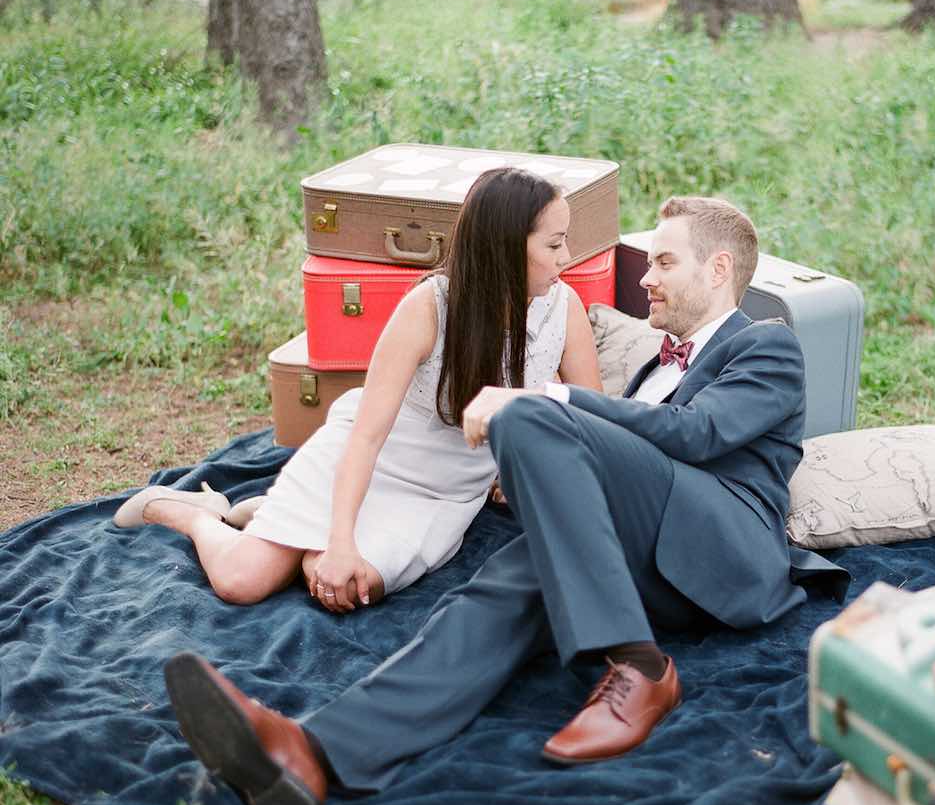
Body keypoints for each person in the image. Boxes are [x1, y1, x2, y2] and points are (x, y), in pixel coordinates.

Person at [162, 195, 848, 805]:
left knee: (527, 416)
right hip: (640, 564)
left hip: (726, 554)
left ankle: (639, 663)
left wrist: (546, 403)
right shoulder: (649, 370)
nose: (645, 277)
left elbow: (697, 436)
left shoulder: (766, 346)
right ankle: (314, 754)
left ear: (719, 269)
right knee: (492, 597)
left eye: (664, 261)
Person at [113, 167, 601, 611]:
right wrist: (342, 539)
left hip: (440, 495)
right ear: (506, 245)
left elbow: (594, 420)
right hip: (372, 460)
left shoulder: (564, 309)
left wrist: (515, 461)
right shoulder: (429, 306)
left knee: (348, 589)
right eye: (555, 244)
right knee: (243, 582)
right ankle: (196, 513)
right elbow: (366, 436)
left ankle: (279, 524)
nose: (568, 256)